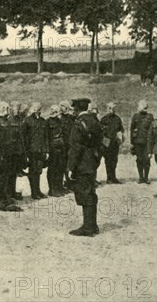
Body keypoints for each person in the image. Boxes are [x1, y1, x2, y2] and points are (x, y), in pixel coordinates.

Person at [67, 98, 102, 237]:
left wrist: (70, 167)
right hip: (91, 162)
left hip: (81, 163)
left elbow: (76, 148)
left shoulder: (78, 124)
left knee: (84, 193)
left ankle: (88, 227)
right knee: (91, 192)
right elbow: (101, 143)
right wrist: (96, 160)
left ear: (76, 109)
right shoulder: (95, 121)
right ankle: (92, 225)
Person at [22, 102, 49, 199]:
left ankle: (38, 191)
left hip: (41, 150)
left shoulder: (43, 121)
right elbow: (24, 138)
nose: (37, 109)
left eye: (39, 108)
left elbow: (46, 137)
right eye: (35, 108)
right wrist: (26, 152)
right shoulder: (27, 121)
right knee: (33, 171)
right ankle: (34, 192)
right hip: (32, 150)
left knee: (39, 170)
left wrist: (46, 150)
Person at [100, 102, 124, 184]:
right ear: (107, 109)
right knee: (108, 160)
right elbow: (100, 131)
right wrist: (104, 141)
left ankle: (114, 177)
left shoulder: (117, 119)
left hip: (115, 143)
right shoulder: (104, 119)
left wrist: (120, 135)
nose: (112, 110)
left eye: (113, 108)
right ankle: (109, 178)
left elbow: (121, 129)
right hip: (107, 143)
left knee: (114, 160)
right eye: (110, 108)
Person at [131, 100, 154, 184]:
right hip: (137, 142)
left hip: (147, 142)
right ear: (138, 107)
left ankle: (146, 177)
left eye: (145, 107)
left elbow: (153, 130)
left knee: (147, 160)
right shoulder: (135, 117)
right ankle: (141, 177)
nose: (143, 108)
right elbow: (132, 129)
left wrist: (152, 143)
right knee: (139, 160)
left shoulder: (150, 117)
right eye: (141, 107)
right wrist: (132, 142)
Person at [46, 104, 66, 197]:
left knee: (60, 168)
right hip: (53, 149)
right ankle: (52, 189)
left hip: (61, 148)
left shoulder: (60, 121)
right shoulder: (48, 122)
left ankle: (59, 187)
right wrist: (47, 150)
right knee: (53, 169)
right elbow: (46, 137)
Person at [8, 101, 26, 199]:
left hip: (17, 150)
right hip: (11, 150)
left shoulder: (19, 120)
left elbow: (21, 136)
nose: (17, 110)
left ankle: (12, 191)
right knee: (9, 172)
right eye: (15, 108)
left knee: (14, 172)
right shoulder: (8, 120)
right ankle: (8, 193)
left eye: (18, 108)